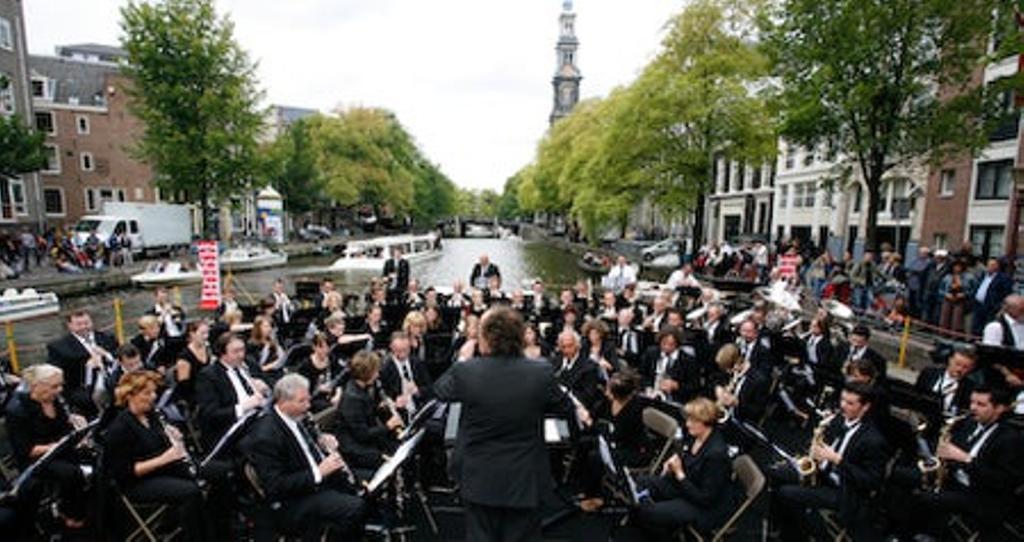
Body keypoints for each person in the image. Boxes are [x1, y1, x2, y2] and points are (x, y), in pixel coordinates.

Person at [433, 307, 566, 542]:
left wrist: (463, 357)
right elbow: (563, 408)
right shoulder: (541, 371)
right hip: (524, 478)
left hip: (479, 477)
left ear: (486, 338)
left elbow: (441, 390)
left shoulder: (466, 371)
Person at [244, 374, 368, 541]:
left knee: (367, 489)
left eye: (308, 399)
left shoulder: (297, 417)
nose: (308, 405)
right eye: (302, 401)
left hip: (313, 484)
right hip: (293, 501)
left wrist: (321, 442)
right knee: (355, 508)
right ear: (283, 402)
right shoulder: (265, 436)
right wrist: (319, 472)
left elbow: (304, 447)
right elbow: (275, 486)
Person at [772, 382, 890, 541]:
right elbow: (824, 443)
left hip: (844, 491)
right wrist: (816, 452)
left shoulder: (874, 440)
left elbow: (872, 482)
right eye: (842, 400)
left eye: (850, 403)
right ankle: (781, 530)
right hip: (822, 474)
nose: (842, 406)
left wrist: (837, 460)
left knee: (787, 493)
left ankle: (797, 535)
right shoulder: (839, 420)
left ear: (865, 407)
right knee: (776, 473)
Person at [103, 370, 212, 541]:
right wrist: (165, 458)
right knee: (190, 491)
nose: (153, 397)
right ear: (130, 396)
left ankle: (213, 529)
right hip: (137, 483)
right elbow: (124, 472)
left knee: (215, 471)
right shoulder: (119, 428)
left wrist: (174, 438)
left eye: (154, 392)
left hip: (162, 470)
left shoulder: (151, 415)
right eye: (147, 393)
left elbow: (162, 445)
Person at [912, 385, 1024, 540]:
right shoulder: (969, 423)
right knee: (905, 476)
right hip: (955, 480)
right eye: (972, 402)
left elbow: (1003, 481)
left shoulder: (1011, 439)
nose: (972, 408)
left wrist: (965, 459)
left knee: (925, 499)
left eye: (981, 404)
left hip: (982, 496)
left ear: (999, 409)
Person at [631, 398, 737, 540]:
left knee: (649, 512)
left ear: (705, 422)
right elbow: (685, 456)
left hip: (703, 507)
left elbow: (705, 499)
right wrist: (674, 462)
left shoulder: (716, 455)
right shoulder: (695, 436)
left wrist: (680, 474)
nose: (687, 424)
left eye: (692, 421)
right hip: (686, 487)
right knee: (641, 482)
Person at [5, 364, 91, 528]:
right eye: (54, 386)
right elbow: (26, 450)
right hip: (37, 459)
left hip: (60, 448)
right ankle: (70, 512)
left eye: (61, 385)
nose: (60, 390)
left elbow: (64, 427)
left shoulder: (55, 399)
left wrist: (77, 428)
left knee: (97, 456)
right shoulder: (17, 410)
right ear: (36, 386)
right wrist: (58, 445)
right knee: (70, 473)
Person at [194, 333, 268, 450]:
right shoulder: (209, 376)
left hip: (255, 420)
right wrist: (243, 407)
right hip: (231, 430)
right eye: (236, 351)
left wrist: (264, 389)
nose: (241, 355)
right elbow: (210, 415)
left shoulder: (246, 365)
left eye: (243, 350)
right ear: (222, 353)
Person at [333, 351, 402, 470]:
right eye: (375, 371)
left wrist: (380, 407)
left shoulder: (362, 387)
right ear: (367, 373)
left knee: (398, 446)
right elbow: (362, 434)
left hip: (365, 440)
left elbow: (367, 413)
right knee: (392, 458)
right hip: (355, 449)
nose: (377, 374)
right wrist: (388, 426)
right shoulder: (353, 398)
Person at [46, 309, 119, 417]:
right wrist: (88, 366)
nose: (84, 327)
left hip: (111, 383)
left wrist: (106, 355)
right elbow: (57, 373)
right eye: (79, 324)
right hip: (81, 389)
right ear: (70, 326)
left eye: (87, 323)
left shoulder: (107, 337)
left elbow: (120, 357)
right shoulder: (59, 347)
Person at [915, 346, 978, 418]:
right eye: (957, 364)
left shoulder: (970, 387)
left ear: (971, 369)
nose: (959, 369)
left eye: (965, 367)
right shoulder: (929, 373)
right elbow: (916, 393)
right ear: (950, 360)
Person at [971, 258, 1013, 337]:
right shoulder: (983, 276)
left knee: (987, 328)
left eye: (992, 265)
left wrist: (1000, 308)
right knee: (976, 327)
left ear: (997, 266)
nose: (989, 267)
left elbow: (1006, 294)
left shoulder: (1003, 278)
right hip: (979, 305)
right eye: (988, 265)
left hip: (991, 308)